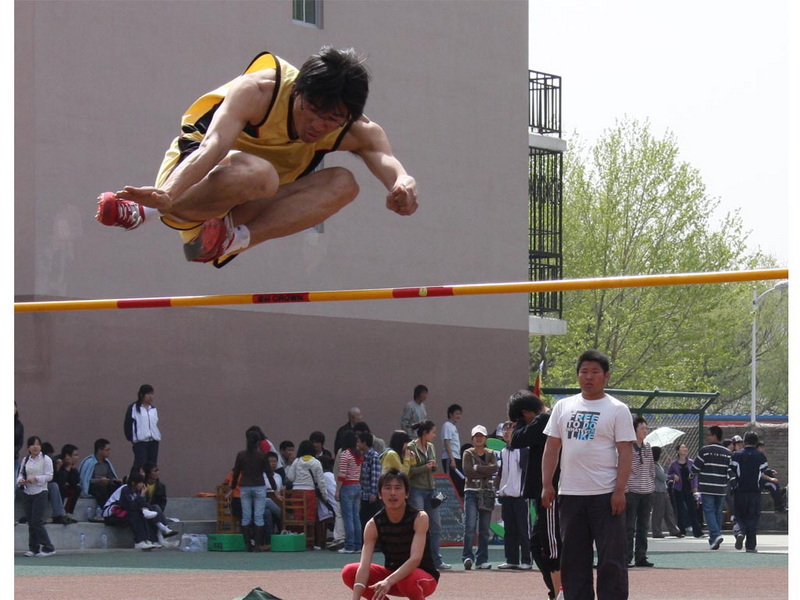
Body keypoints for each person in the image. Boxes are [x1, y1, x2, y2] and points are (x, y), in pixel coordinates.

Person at [96, 46, 418, 267]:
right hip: (193, 181)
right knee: (261, 174)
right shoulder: (260, 91)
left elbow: (387, 161)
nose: (318, 126)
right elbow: (214, 146)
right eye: (312, 111)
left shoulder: (352, 127)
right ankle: (144, 211)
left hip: (228, 223)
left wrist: (403, 185)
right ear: (298, 91)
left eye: (331, 119)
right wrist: (166, 194)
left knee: (345, 183)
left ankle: (233, 241)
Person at [542, 349, 636, 600]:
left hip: (605, 496)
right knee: (573, 559)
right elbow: (552, 447)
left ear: (606, 376)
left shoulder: (617, 409)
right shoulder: (563, 406)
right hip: (570, 495)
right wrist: (546, 484)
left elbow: (625, 452)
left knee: (611, 560)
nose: (589, 377)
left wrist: (619, 490)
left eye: (595, 372)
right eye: (584, 371)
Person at [342, 469, 439, 600]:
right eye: (387, 488)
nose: (393, 493)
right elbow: (364, 567)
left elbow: (415, 559)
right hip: (391, 576)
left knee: (406, 580)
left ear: (406, 493)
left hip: (422, 577)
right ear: (380, 494)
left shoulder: (419, 517)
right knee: (349, 572)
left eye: (398, 488)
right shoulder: (373, 525)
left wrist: (389, 580)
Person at [508, 389, 562, 599]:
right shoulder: (544, 419)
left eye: (519, 419)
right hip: (543, 494)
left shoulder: (545, 419)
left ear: (526, 412)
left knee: (551, 546)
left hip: (551, 494)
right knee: (537, 544)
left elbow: (516, 439)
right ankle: (556, 590)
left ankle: (560, 592)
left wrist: (520, 425)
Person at [407, 420, 450, 570]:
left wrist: (433, 466)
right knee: (419, 526)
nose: (434, 435)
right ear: (425, 433)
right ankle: (417, 560)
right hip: (416, 489)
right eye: (433, 432)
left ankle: (436, 560)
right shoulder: (411, 447)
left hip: (431, 489)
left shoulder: (430, 447)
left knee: (436, 526)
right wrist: (425, 467)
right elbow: (409, 470)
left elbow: (434, 467)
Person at [229, 429, 277, 552]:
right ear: (258, 442)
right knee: (258, 516)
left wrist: (233, 487)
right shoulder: (262, 455)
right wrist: (275, 488)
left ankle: (247, 545)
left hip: (245, 486)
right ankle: (257, 545)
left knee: (246, 516)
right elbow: (268, 473)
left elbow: (236, 473)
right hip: (259, 486)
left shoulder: (241, 455)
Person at [495, 420, 532, 571]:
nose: (506, 432)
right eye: (504, 429)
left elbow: (527, 470)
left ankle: (526, 560)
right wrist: (499, 490)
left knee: (523, 529)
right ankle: (511, 559)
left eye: (510, 429)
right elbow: (502, 473)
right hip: (506, 495)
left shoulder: (524, 449)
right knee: (509, 529)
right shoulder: (503, 451)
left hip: (521, 496)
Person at [461, 424, 498, 571]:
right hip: (471, 491)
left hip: (487, 492)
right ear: (472, 438)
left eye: (481, 436)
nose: (478, 438)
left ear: (485, 438)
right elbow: (468, 472)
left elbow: (494, 469)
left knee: (484, 528)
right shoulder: (467, 453)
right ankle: (467, 557)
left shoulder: (491, 453)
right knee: (469, 526)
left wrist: (477, 468)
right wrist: (484, 470)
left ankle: (482, 559)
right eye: (476, 436)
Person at [691, 425, 732, 550]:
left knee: (708, 511)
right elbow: (730, 471)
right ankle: (714, 539)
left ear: (714, 436)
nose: (707, 437)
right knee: (718, 511)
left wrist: (690, 475)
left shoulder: (705, 450)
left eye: (708, 435)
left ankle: (716, 534)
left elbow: (695, 468)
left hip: (707, 487)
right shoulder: (728, 453)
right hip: (721, 487)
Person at [729, 432, 770, 552]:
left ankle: (739, 532)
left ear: (744, 442)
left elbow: (731, 471)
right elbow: (763, 471)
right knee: (753, 517)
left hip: (740, 491)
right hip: (754, 492)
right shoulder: (761, 456)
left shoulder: (736, 455)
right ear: (756, 442)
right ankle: (751, 546)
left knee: (738, 516)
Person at [16, 436, 56, 557]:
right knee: (30, 522)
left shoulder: (46, 459)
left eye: (38, 444)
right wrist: (21, 480)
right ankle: (34, 548)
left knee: (36, 521)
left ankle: (48, 547)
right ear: (28, 447)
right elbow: (21, 473)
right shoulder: (26, 459)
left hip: (40, 491)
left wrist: (36, 479)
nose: (35, 447)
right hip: (28, 492)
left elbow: (49, 476)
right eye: (32, 444)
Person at [625, 415, 655, 567]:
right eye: (642, 428)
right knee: (629, 526)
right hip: (632, 491)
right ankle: (627, 556)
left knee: (643, 527)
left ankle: (641, 556)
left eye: (646, 428)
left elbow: (651, 468)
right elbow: (629, 468)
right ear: (634, 430)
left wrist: (651, 483)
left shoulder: (648, 446)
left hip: (646, 491)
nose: (645, 431)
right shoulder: (629, 447)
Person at [337, 430, 364, 554]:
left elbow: (342, 474)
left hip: (347, 486)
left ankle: (349, 545)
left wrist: (337, 490)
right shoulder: (359, 454)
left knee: (347, 517)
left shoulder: (345, 454)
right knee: (356, 517)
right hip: (357, 485)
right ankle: (358, 544)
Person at [123, 384, 162, 471]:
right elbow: (127, 424)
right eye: (148, 394)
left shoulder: (153, 409)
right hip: (140, 442)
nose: (150, 396)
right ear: (141, 395)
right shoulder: (133, 408)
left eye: (152, 394)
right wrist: (132, 438)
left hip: (153, 441)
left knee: (152, 466)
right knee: (140, 464)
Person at [667, 443, 702, 538]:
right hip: (678, 490)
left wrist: (695, 488)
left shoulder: (691, 462)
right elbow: (668, 475)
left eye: (685, 447)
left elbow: (694, 476)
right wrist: (673, 476)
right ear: (678, 451)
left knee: (693, 510)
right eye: (682, 447)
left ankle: (697, 532)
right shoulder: (674, 464)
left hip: (690, 489)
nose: (685, 449)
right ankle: (681, 531)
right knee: (680, 511)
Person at [78, 438, 122, 511]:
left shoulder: (107, 463)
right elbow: (86, 479)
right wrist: (99, 480)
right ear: (99, 450)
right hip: (93, 487)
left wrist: (116, 480)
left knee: (117, 486)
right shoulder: (89, 462)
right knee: (100, 487)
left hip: (106, 485)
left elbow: (111, 477)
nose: (109, 452)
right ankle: (104, 509)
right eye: (107, 450)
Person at [650, 447, 682, 539]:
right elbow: (662, 477)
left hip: (663, 490)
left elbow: (664, 473)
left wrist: (668, 465)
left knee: (669, 511)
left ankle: (674, 530)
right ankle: (656, 531)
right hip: (657, 491)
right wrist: (671, 476)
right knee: (658, 512)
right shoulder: (654, 466)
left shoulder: (658, 465)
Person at [358, 432, 383, 534]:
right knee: (364, 518)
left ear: (364, 443)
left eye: (359, 442)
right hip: (364, 494)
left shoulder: (374, 456)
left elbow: (375, 476)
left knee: (372, 519)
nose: (357, 444)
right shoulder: (362, 456)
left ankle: (376, 542)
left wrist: (374, 493)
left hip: (371, 495)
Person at [440, 403, 464, 498]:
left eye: (460, 414)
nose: (459, 416)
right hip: (450, 458)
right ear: (450, 414)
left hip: (456, 457)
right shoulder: (447, 425)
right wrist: (452, 459)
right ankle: (446, 503)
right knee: (450, 482)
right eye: (457, 413)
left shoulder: (453, 426)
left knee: (458, 482)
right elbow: (447, 442)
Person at [755, 442, 786, 512]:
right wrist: (771, 478)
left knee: (774, 485)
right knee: (773, 483)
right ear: (758, 448)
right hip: (756, 482)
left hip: (762, 480)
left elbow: (762, 470)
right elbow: (759, 473)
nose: (763, 449)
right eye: (761, 448)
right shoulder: (756, 457)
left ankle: (779, 505)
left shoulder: (761, 456)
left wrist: (770, 471)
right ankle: (779, 505)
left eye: (763, 448)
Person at [54, 444, 82, 518]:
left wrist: (72, 469)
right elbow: (60, 482)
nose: (77, 458)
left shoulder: (71, 465)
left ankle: (68, 512)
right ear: (67, 456)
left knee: (77, 489)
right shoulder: (56, 462)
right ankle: (59, 513)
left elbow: (75, 482)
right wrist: (67, 468)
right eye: (75, 455)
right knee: (62, 488)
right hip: (52, 489)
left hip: (62, 487)